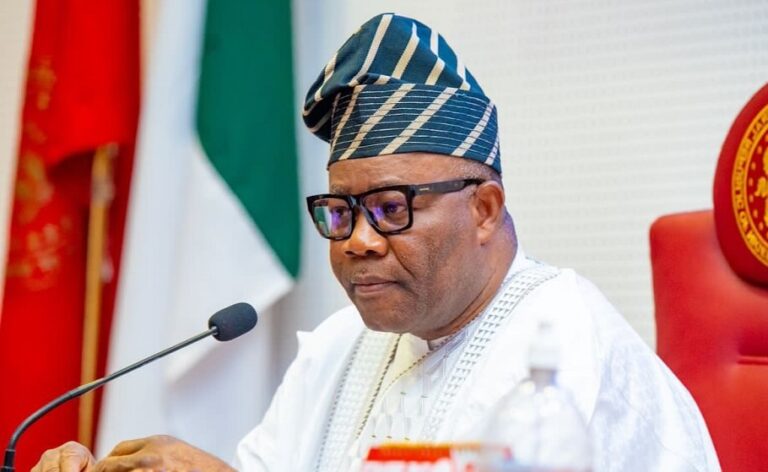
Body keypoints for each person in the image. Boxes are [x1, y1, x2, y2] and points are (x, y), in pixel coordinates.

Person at [33, 13, 720, 472]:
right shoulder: (339, 347)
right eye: (339, 211)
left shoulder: (563, 348)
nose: (357, 241)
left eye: (391, 209)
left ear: (484, 209)